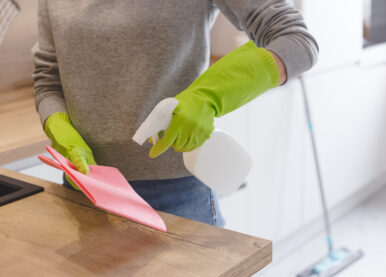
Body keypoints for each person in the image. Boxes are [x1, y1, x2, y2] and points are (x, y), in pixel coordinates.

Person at [32, 0, 318, 228]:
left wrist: (208, 97)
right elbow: (48, 76)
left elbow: (295, 42)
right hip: (84, 189)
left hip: (177, 195)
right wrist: (58, 126)